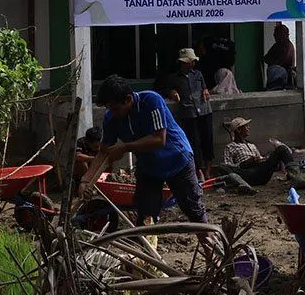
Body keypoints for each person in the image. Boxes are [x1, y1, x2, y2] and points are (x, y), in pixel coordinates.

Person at [81, 75, 209, 225]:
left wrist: (125, 147)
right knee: (145, 215)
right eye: (109, 108)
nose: (112, 112)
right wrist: (85, 180)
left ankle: (208, 238)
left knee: (194, 211)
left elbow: (159, 139)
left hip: (177, 160)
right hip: (149, 167)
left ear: (128, 99)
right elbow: (104, 151)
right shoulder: (111, 118)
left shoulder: (151, 101)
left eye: (115, 108)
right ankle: (147, 238)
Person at [217, 117, 305, 187]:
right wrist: (245, 163)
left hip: (260, 172)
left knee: (281, 148)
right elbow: (229, 167)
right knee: (222, 166)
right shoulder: (230, 147)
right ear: (238, 130)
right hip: (246, 174)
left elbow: (260, 160)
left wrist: (264, 159)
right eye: (246, 126)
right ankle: (243, 184)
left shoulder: (252, 145)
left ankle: (296, 178)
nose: (248, 128)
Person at [168, 48, 214, 180]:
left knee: (207, 139)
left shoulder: (198, 74)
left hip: (204, 109)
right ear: (183, 63)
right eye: (189, 62)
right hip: (188, 112)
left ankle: (208, 168)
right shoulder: (174, 78)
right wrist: (173, 93)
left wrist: (205, 90)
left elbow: (204, 87)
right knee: (194, 141)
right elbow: (168, 90)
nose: (192, 64)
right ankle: (198, 170)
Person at [72, 127, 104, 196]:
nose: (98, 148)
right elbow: (77, 156)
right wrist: (94, 159)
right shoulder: (80, 142)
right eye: (95, 146)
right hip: (85, 169)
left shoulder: (104, 142)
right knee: (81, 162)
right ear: (88, 142)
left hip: (97, 168)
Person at [263, 23, 296, 90]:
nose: (274, 36)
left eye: (276, 33)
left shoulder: (284, 46)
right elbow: (266, 58)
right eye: (274, 34)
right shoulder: (280, 45)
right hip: (280, 79)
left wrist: (273, 63)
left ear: (284, 34)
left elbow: (277, 62)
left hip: (280, 80)